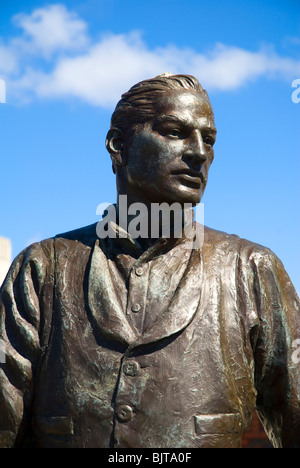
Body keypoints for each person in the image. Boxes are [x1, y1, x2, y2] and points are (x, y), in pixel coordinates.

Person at [0, 74, 299, 448]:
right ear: (118, 145)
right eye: (175, 132)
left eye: (209, 139)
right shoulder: (41, 270)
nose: (199, 152)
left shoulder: (251, 269)